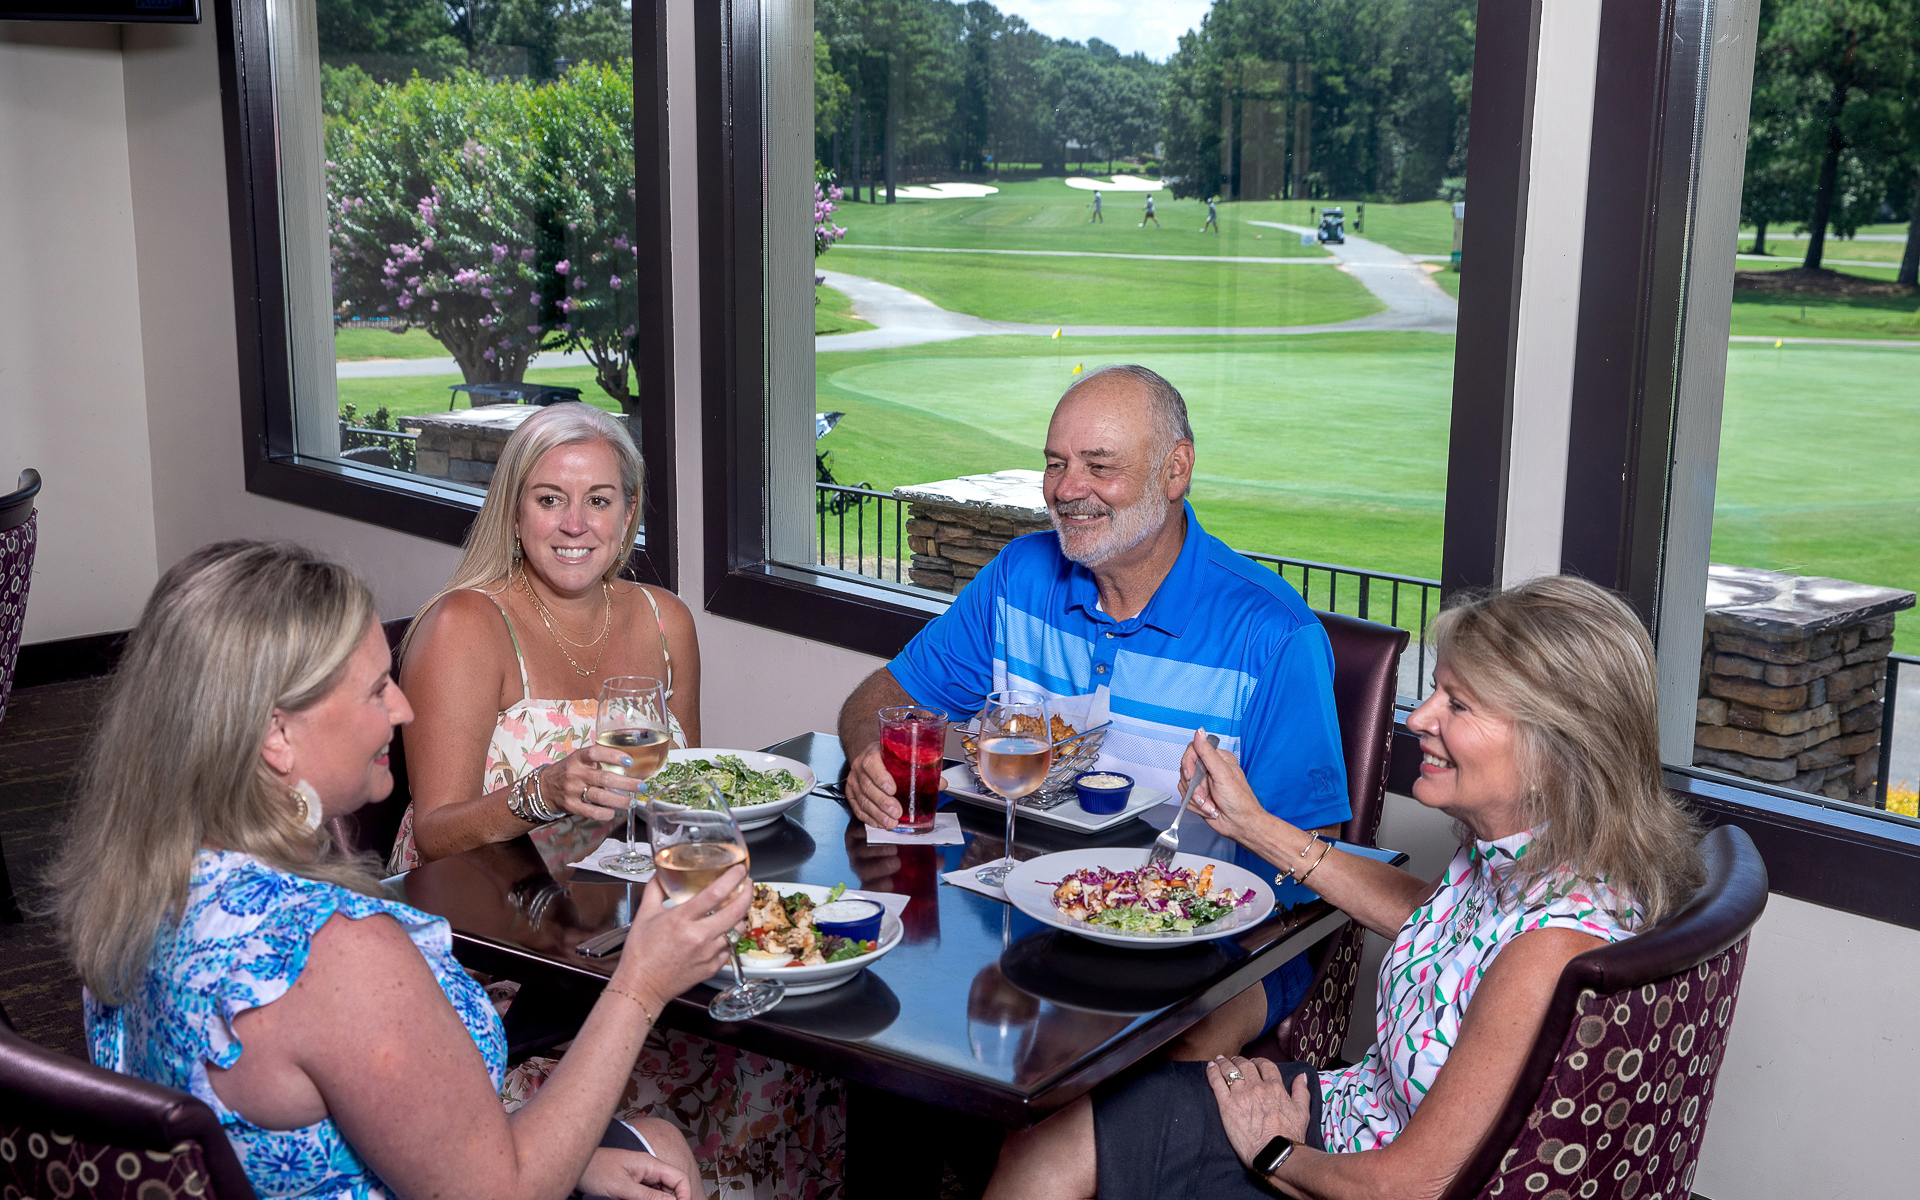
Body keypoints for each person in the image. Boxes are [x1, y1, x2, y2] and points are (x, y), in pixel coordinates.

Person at [50, 540, 741, 1200]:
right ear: (277, 736)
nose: (403, 709)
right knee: (667, 1154)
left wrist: (578, 1159)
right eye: (377, 689)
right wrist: (641, 984)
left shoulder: (143, 883)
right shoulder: (336, 954)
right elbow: (503, 1191)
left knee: (648, 1152)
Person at [984, 575, 1707, 1200]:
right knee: (1076, 1121)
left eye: (1457, 705)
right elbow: (1440, 923)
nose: (1419, 718)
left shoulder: (1550, 949)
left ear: (1555, 752)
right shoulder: (1536, 859)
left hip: (1346, 1165)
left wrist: (1275, 1150)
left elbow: (1410, 1188)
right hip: (1347, 1115)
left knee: (1051, 1141)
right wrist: (1253, 825)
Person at [393, 403, 844, 1197]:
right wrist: (540, 793)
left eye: (598, 500)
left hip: (621, 928)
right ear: (514, 511)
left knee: (793, 1054)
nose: (575, 524)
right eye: (549, 499)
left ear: (629, 514)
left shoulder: (665, 621)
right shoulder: (464, 624)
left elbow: (683, 795)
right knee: (713, 1070)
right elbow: (432, 836)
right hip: (500, 949)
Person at [837, 365, 1350, 1055]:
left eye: (1099, 466)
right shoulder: (1017, 576)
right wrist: (872, 756)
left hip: (1207, 945)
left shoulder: (1274, 634)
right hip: (1033, 917)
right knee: (889, 1005)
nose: (1065, 488)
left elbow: (1309, 867)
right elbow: (881, 697)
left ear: (1175, 471)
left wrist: (1169, 937)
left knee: (1106, 1072)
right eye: (1056, 463)